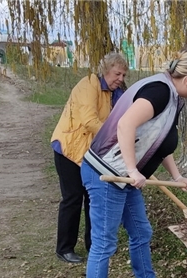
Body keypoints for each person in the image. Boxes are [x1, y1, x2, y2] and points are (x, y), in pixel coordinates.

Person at [81, 49, 187, 278]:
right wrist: (132, 170)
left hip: (125, 177)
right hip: (106, 173)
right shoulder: (160, 91)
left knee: (141, 231)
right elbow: (126, 124)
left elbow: (160, 141)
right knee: (104, 243)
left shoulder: (174, 98)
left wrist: (177, 176)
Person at [51, 53, 129, 264]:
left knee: (93, 198)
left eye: (123, 74)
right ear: (105, 70)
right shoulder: (89, 84)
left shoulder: (116, 92)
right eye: (117, 73)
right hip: (69, 149)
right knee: (73, 198)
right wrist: (118, 136)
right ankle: (64, 248)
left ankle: (93, 244)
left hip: (92, 154)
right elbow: (89, 121)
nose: (120, 78)